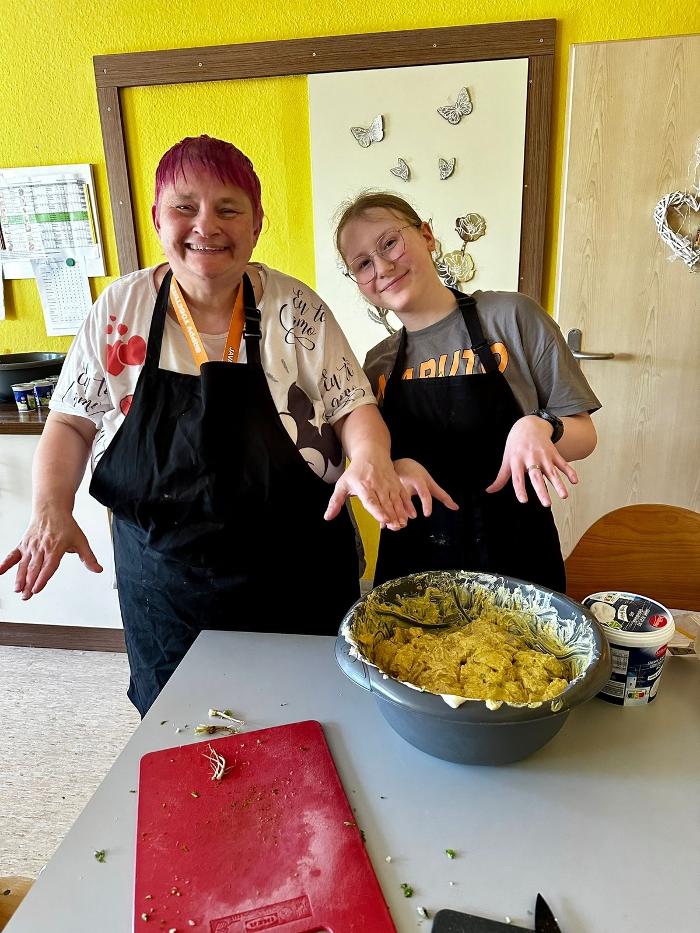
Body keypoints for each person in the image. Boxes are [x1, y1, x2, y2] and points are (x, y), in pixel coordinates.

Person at [0, 139, 442, 717]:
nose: (205, 225)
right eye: (184, 207)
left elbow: (354, 407)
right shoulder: (120, 309)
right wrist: (50, 507)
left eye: (228, 209)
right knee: (183, 733)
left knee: (310, 722)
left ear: (257, 224)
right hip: (167, 586)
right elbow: (70, 421)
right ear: (158, 218)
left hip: (296, 575)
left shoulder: (296, 309)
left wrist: (369, 457)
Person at [335, 191, 601, 593]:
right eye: (363, 264)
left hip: (518, 556)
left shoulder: (512, 317)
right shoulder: (375, 365)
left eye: (390, 242)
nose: (383, 266)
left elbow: (585, 435)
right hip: (415, 565)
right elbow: (364, 465)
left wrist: (539, 426)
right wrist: (392, 469)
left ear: (426, 236)